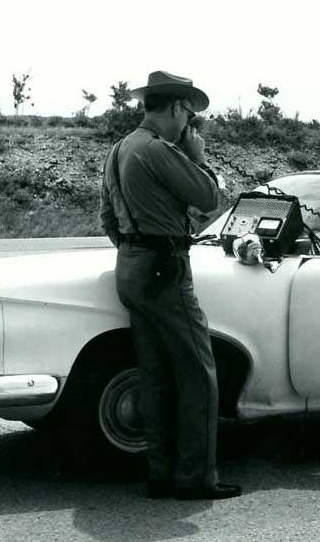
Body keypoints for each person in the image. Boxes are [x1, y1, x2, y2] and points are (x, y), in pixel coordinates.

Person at [99, 70, 241, 500]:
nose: (189, 127)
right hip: (165, 268)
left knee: (156, 374)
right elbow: (207, 198)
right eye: (188, 116)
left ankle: (161, 472)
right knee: (199, 373)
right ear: (177, 108)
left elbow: (107, 217)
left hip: (131, 265)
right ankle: (196, 477)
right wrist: (196, 157)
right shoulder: (160, 150)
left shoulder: (120, 149)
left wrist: (135, 246)